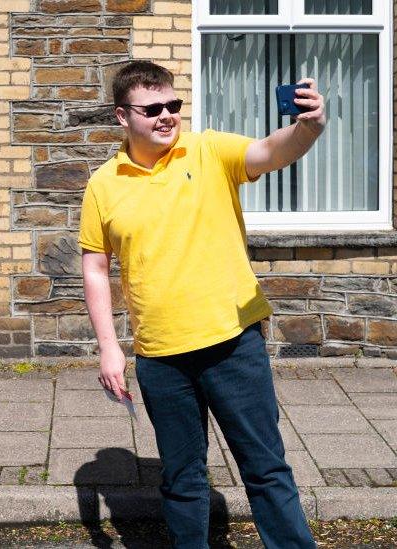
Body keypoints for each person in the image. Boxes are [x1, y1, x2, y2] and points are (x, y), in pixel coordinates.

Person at [79, 60, 325, 548]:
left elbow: (268, 152)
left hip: (233, 344)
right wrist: (110, 348)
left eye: (173, 105)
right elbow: (95, 268)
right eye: (153, 109)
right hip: (161, 355)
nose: (167, 116)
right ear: (122, 117)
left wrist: (309, 128)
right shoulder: (103, 184)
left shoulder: (209, 149)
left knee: (265, 467)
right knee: (183, 478)